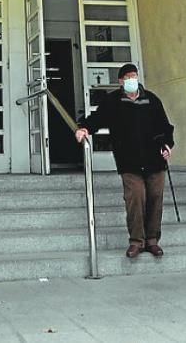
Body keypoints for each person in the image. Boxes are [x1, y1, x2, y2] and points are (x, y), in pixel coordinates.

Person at [75, 63, 175, 258]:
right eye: (128, 77)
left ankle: (152, 240)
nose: (132, 80)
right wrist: (84, 128)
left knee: (155, 197)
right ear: (121, 81)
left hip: (154, 159)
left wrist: (166, 144)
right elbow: (97, 118)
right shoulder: (113, 101)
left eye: (134, 76)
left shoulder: (151, 100)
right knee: (135, 196)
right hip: (129, 160)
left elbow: (165, 127)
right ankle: (137, 241)